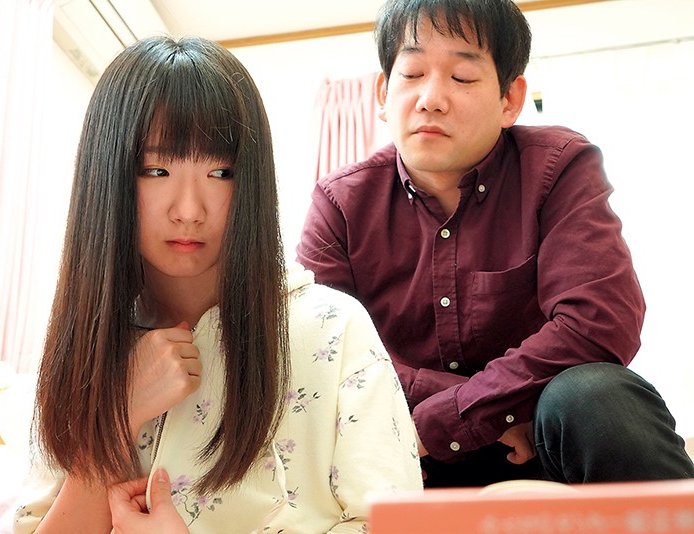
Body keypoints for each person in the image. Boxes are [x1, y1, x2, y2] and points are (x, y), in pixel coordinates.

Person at [13, 36, 422, 533]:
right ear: (108, 177)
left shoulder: (333, 329)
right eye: (156, 170)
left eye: (220, 172)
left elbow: (399, 526)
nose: (189, 209)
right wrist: (118, 419)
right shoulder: (87, 346)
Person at [297, 0, 694, 488]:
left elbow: (598, 321)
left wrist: (454, 413)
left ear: (510, 99)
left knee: (595, 394)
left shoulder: (557, 167)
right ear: (383, 93)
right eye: (412, 74)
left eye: (462, 77)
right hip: (406, 452)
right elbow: (323, 353)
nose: (430, 99)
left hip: (538, 446)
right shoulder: (340, 202)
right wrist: (484, 409)